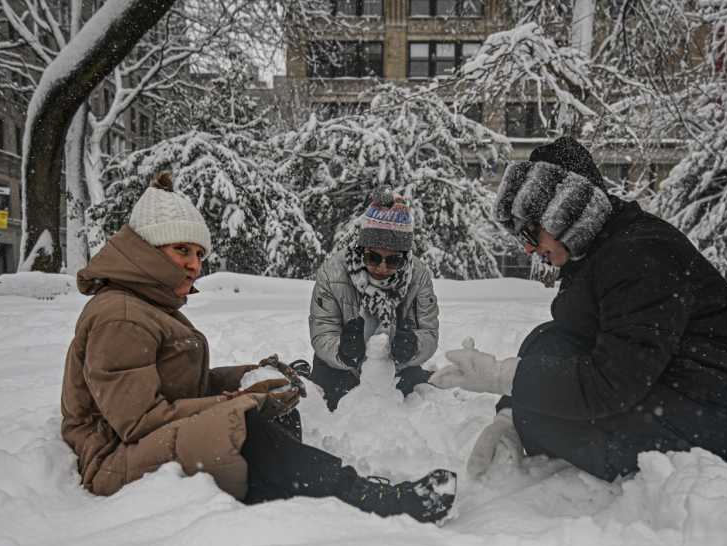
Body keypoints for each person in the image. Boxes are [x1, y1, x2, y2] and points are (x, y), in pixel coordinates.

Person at [60, 172, 455, 523]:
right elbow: (138, 421)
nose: (195, 265)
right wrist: (238, 398)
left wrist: (250, 376)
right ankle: (368, 497)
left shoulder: (145, 306)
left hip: (146, 439)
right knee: (244, 424)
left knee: (275, 409)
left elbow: (176, 387)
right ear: (147, 250)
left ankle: (298, 492)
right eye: (182, 251)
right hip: (114, 460)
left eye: (199, 254)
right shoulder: (122, 317)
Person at [431, 137, 727, 481]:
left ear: (565, 211)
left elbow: (611, 383)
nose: (527, 249)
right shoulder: (599, 248)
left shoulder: (639, 254)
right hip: (671, 376)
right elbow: (565, 341)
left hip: (716, 407)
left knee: (545, 419)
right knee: (546, 339)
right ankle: (524, 420)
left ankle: (542, 427)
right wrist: (508, 414)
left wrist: (504, 380)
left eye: (530, 233)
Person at [305, 190, 439, 411]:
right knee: (329, 409)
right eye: (373, 257)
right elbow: (323, 331)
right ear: (362, 249)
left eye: (394, 260)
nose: (382, 267)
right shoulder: (332, 273)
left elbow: (429, 332)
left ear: (404, 256)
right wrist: (342, 351)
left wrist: (413, 346)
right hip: (340, 368)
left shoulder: (419, 275)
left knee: (413, 407)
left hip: (398, 369)